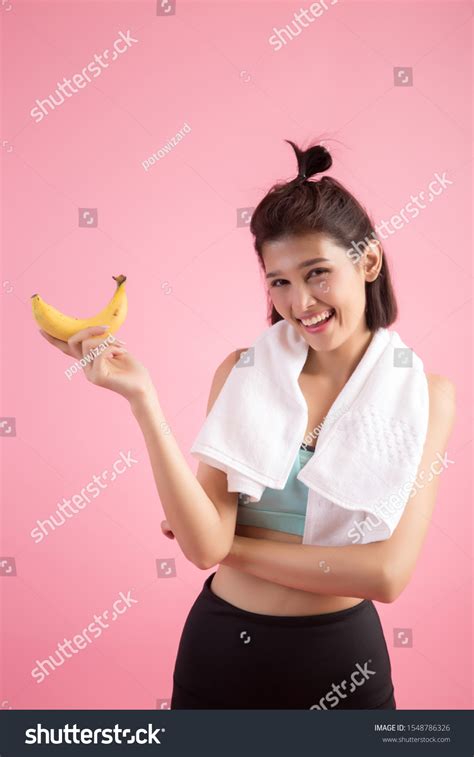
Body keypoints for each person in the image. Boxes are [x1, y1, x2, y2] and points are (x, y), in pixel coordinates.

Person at [39, 139, 456, 710]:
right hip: (220, 653)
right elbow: (203, 544)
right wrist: (141, 399)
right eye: (279, 281)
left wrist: (230, 550)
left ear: (368, 261)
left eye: (317, 273)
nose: (300, 301)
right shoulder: (244, 372)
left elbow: (385, 575)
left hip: (343, 663)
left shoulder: (427, 396)